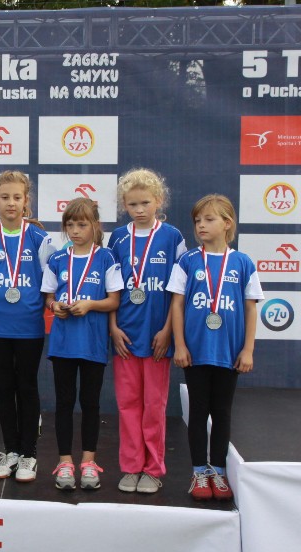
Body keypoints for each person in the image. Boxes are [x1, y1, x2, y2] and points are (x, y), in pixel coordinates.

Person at [168, 194, 262, 501]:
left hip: (229, 353)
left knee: (222, 412)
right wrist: (180, 344)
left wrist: (248, 350)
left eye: (209, 219)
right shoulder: (187, 261)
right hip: (195, 352)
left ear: (227, 223)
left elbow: (250, 308)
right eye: (197, 220)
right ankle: (199, 472)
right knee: (198, 412)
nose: (201, 225)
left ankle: (218, 472)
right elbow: (177, 304)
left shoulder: (243, 262)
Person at [108, 169, 187, 494]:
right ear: (124, 205)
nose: (139, 209)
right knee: (128, 405)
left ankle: (153, 469)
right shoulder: (117, 238)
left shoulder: (172, 237)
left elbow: (178, 291)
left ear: (159, 200)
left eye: (145, 203)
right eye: (132, 204)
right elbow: (111, 289)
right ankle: (131, 467)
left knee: (154, 406)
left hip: (158, 338)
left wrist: (168, 331)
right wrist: (113, 328)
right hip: (125, 337)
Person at [0, 171, 54, 482]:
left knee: (27, 386)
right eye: (4, 197)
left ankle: (29, 454)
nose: (10, 203)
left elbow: (48, 283)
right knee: (5, 388)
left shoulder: (40, 239)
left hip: (29, 325)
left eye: (17, 197)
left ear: (26, 201)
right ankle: (11, 452)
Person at [43, 198, 122, 491]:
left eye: (82, 224)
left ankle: (89, 462)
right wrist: (56, 306)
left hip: (92, 343)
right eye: (70, 225)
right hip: (63, 343)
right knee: (64, 403)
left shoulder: (106, 258)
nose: (75, 231)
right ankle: (65, 462)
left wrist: (90, 304)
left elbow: (114, 300)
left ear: (95, 226)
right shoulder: (57, 259)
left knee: (90, 403)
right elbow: (48, 298)